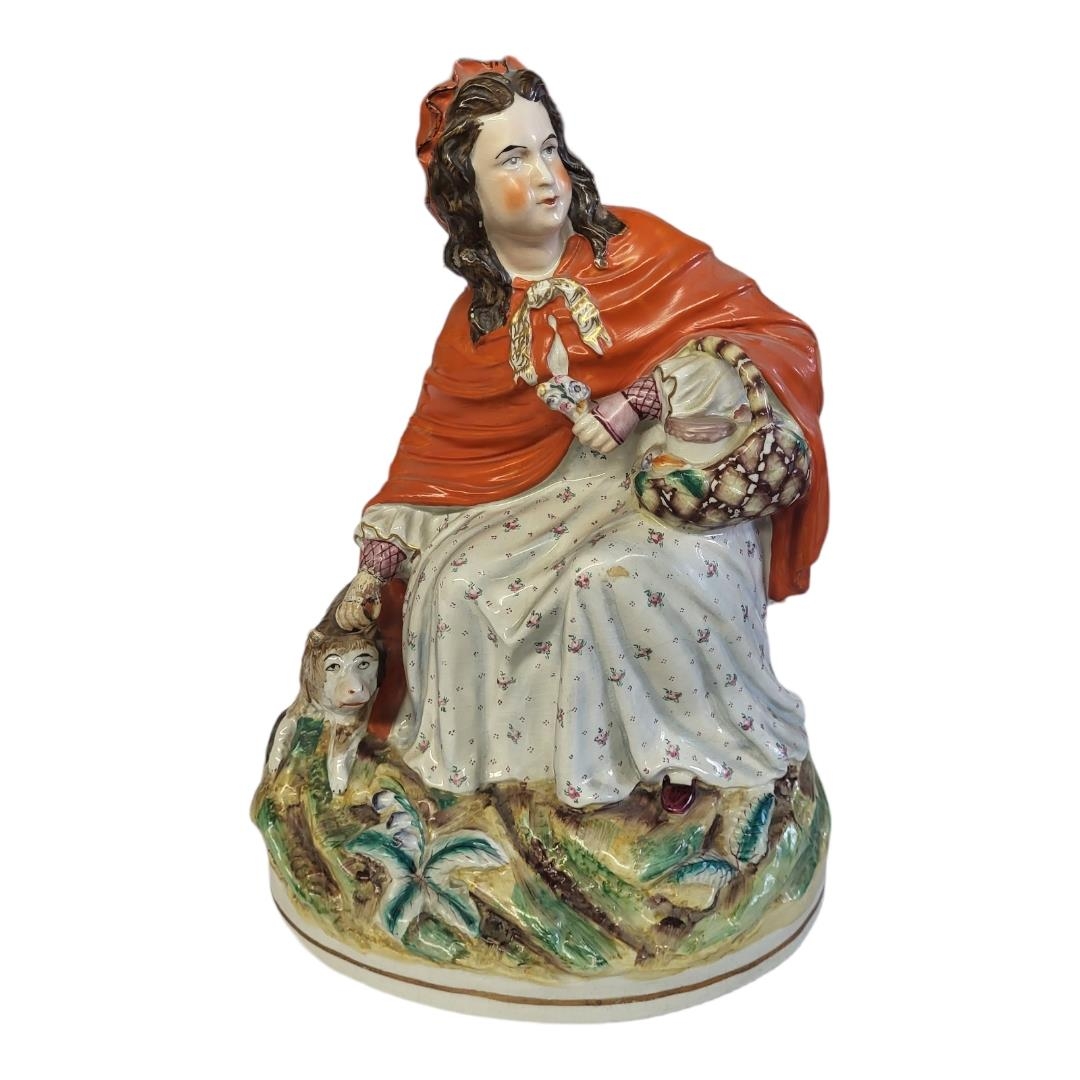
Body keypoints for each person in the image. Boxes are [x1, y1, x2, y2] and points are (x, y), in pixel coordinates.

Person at [335, 60, 827, 814]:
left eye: (549, 147)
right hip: (551, 495)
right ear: (466, 194)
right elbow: (439, 461)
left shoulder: (636, 250)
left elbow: (769, 341)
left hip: (667, 480)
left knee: (609, 578)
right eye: (512, 158)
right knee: (455, 584)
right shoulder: (478, 324)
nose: (544, 175)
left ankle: (679, 759)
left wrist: (639, 400)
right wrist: (380, 562)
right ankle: (497, 789)